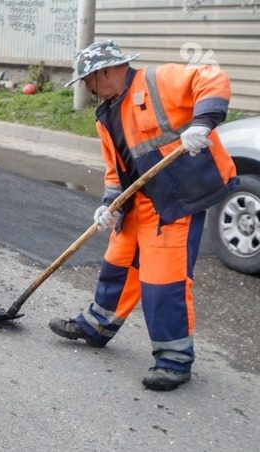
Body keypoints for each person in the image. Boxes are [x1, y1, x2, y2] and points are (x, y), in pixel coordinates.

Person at [50, 41, 237, 391]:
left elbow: (212, 78)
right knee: (117, 264)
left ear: (104, 72)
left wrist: (203, 123)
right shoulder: (105, 116)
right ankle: (98, 325)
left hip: (177, 201)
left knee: (163, 283)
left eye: (89, 81)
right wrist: (110, 205)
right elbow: (113, 170)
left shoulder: (158, 79)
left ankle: (174, 360)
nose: (88, 90)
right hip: (138, 202)